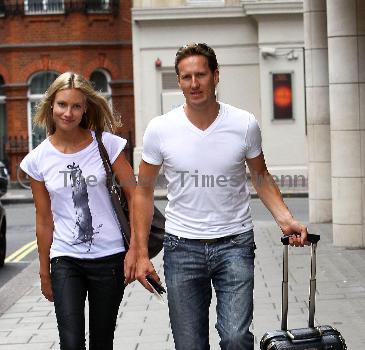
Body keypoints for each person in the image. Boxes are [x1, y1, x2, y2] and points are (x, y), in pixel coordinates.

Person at [133, 43, 308, 350]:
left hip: (235, 244)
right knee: (189, 344)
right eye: (186, 77)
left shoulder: (244, 124)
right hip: (181, 247)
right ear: (178, 81)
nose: (194, 83)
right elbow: (144, 190)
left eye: (201, 75)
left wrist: (286, 219)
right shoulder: (160, 129)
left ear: (216, 76)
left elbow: (261, 178)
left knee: (237, 338)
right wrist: (140, 253)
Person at [20, 72, 137, 350]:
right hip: (65, 259)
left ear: (86, 108)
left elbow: (136, 194)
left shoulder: (107, 145)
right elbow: (44, 219)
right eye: (62, 104)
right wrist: (44, 272)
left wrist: (136, 250)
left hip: (109, 258)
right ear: (51, 106)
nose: (68, 112)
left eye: (75, 106)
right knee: (71, 343)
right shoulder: (38, 159)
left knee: (101, 342)